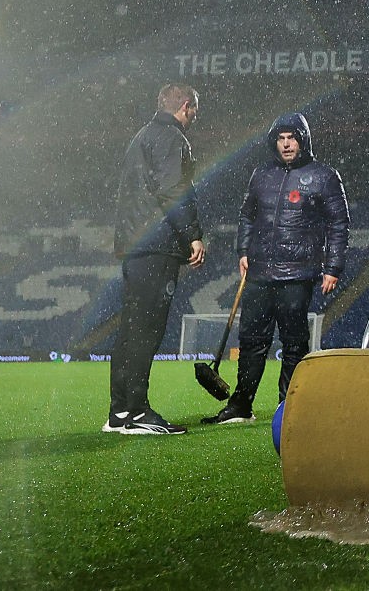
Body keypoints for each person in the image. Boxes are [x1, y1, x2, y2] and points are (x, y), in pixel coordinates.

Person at [202, 112, 350, 424]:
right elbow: (247, 214)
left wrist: (333, 267)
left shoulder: (324, 176)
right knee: (252, 339)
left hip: (299, 273)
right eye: (281, 139)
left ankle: (290, 407)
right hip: (259, 272)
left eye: (291, 138)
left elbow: (339, 223)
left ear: (303, 140)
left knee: (294, 341)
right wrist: (243, 250)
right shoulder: (261, 174)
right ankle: (241, 405)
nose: (286, 144)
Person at [106, 83, 206, 435]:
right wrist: (192, 234)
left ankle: (119, 412)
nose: (195, 115)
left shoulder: (144, 135)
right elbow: (172, 189)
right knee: (146, 329)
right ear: (185, 105)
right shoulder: (170, 137)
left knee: (131, 329)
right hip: (156, 244)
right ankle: (136, 411)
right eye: (194, 108)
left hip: (135, 245)